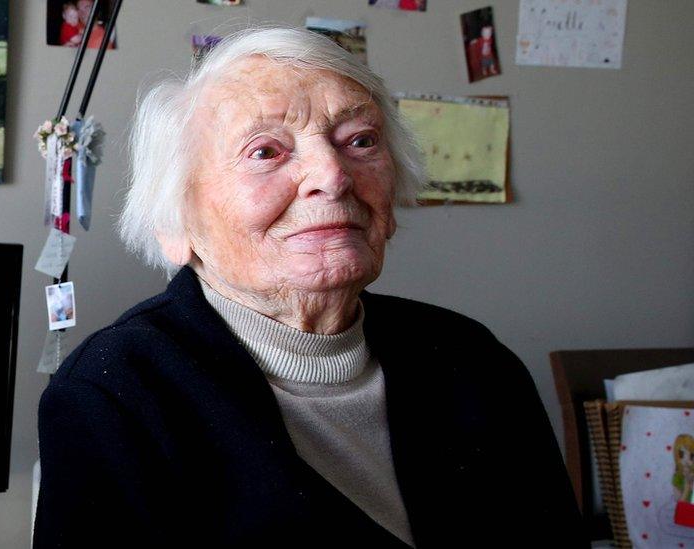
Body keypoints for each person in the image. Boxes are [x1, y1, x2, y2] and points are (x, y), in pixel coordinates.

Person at [33, 27, 586, 547]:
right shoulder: (115, 392)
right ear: (177, 224)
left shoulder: (472, 359)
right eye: (265, 151)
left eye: (360, 140)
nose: (333, 174)